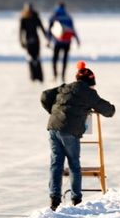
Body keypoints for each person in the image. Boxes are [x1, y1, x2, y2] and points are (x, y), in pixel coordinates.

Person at [41, 62, 115, 210]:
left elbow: (45, 95)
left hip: (53, 127)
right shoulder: (88, 93)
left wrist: (54, 111)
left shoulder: (65, 87)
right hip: (69, 130)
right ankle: (76, 199)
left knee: (56, 163)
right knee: (74, 164)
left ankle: (54, 199)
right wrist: (111, 108)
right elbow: (108, 110)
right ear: (90, 82)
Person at [48, 2, 81, 83]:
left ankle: (55, 75)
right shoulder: (68, 16)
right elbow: (73, 29)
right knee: (65, 59)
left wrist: (48, 40)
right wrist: (77, 40)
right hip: (67, 41)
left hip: (57, 41)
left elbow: (50, 29)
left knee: (55, 59)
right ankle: (63, 76)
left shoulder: (54, 15)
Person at [18, 3, 46, 83]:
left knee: (37, 58)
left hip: (36, 40)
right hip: (28, 41)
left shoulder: (36, 17)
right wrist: (21, 41)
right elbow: (20, 32)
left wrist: (46, 38)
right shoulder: (23, 18)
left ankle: (40, 77)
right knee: (30, 59)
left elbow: (42, 28)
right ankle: (33, 77)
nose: (29, 11)